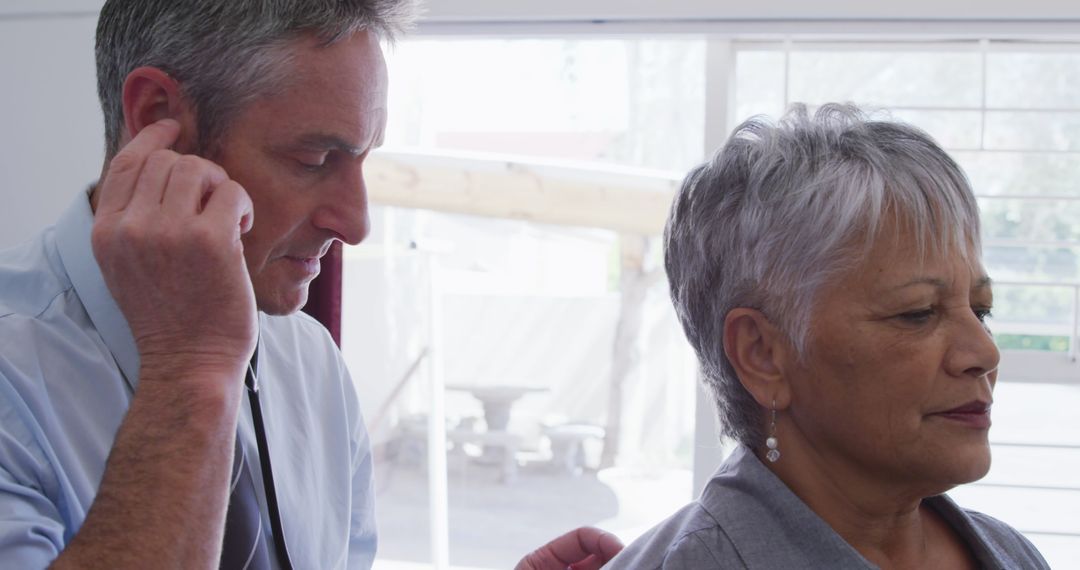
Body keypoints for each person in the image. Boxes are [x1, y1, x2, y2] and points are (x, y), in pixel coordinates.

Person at [0, 1, 621, 568]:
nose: (356, 224)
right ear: (157, 117)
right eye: (314, 161)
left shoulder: (310, 359)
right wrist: (191, 372)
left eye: (363, 160)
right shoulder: (13, 373)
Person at [608, 104, 1051, 569]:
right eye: (917, 313)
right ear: (762, 354)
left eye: (981, 311)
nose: (984, 352)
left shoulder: (1013, 553)